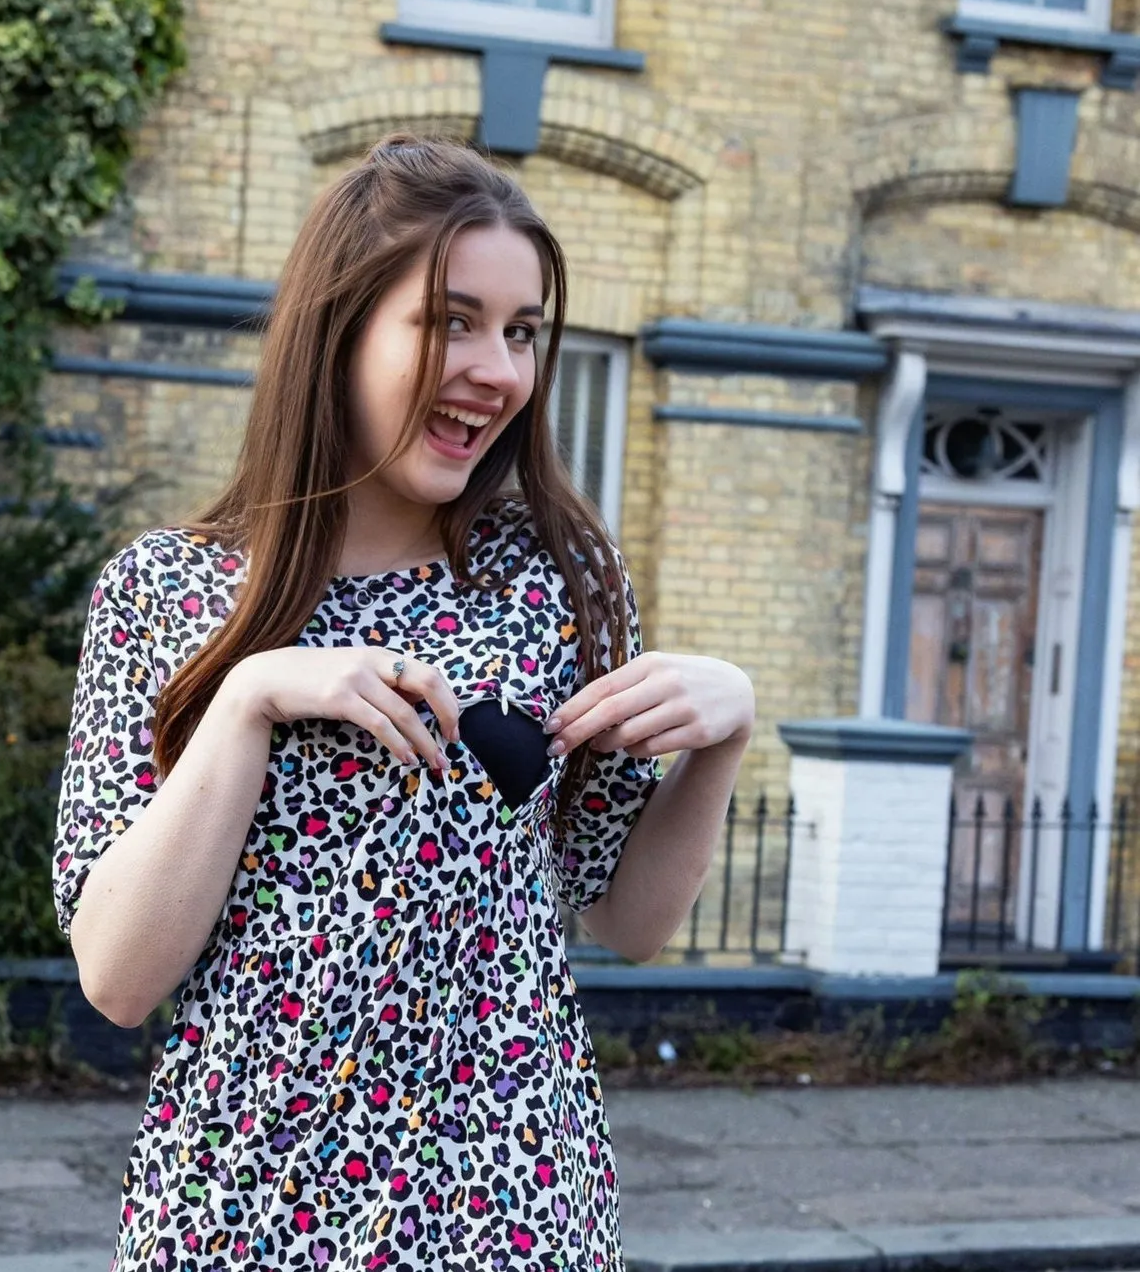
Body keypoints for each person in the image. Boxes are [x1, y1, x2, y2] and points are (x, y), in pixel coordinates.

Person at [53, 134, 754, 1272]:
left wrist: (723, 738)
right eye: (450, 321)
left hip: (516, 1205)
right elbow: (120, 978)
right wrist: (247, 700)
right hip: (241, 1214)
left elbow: (626, 919)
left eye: (523, 332)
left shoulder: (560, 579)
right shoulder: (167, 594)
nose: (499, 369)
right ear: (338, 334)